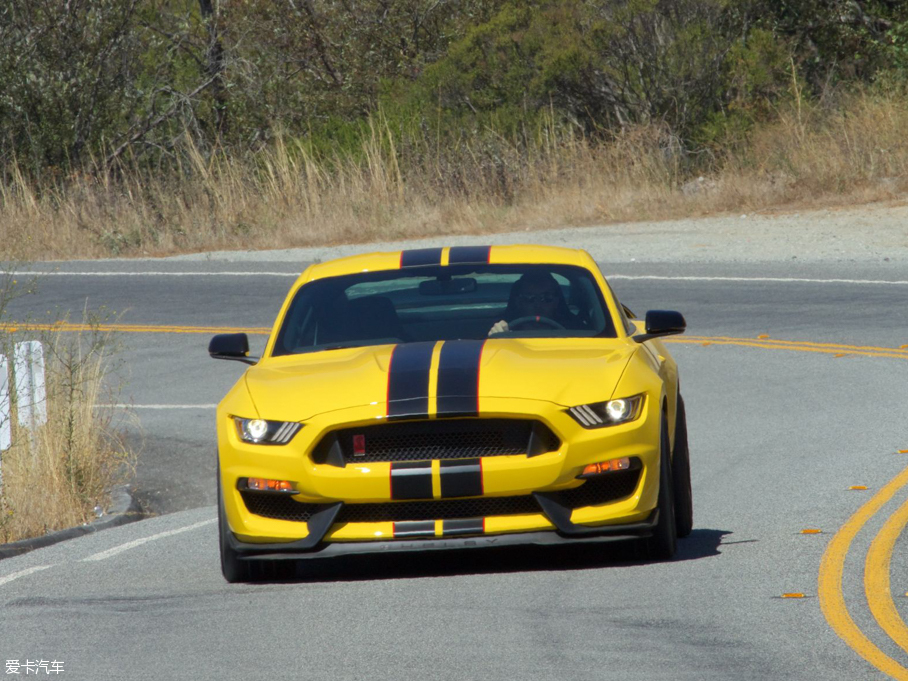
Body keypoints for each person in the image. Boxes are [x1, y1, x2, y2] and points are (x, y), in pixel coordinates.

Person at [488, 271, 582, 335]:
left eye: (546, 297)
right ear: (518, 302)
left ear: (556, 302)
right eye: (529, 298)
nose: (538, 305)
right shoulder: (502, 329)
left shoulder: (576, 330)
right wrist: (496, 338)